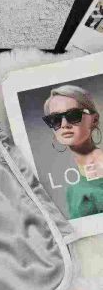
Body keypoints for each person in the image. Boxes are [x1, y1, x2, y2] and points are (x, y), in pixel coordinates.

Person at [43, 84, 103, 219]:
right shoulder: (72, 187)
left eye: (73, 115)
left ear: (94, 120)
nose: (64, 124)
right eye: (55, 119)